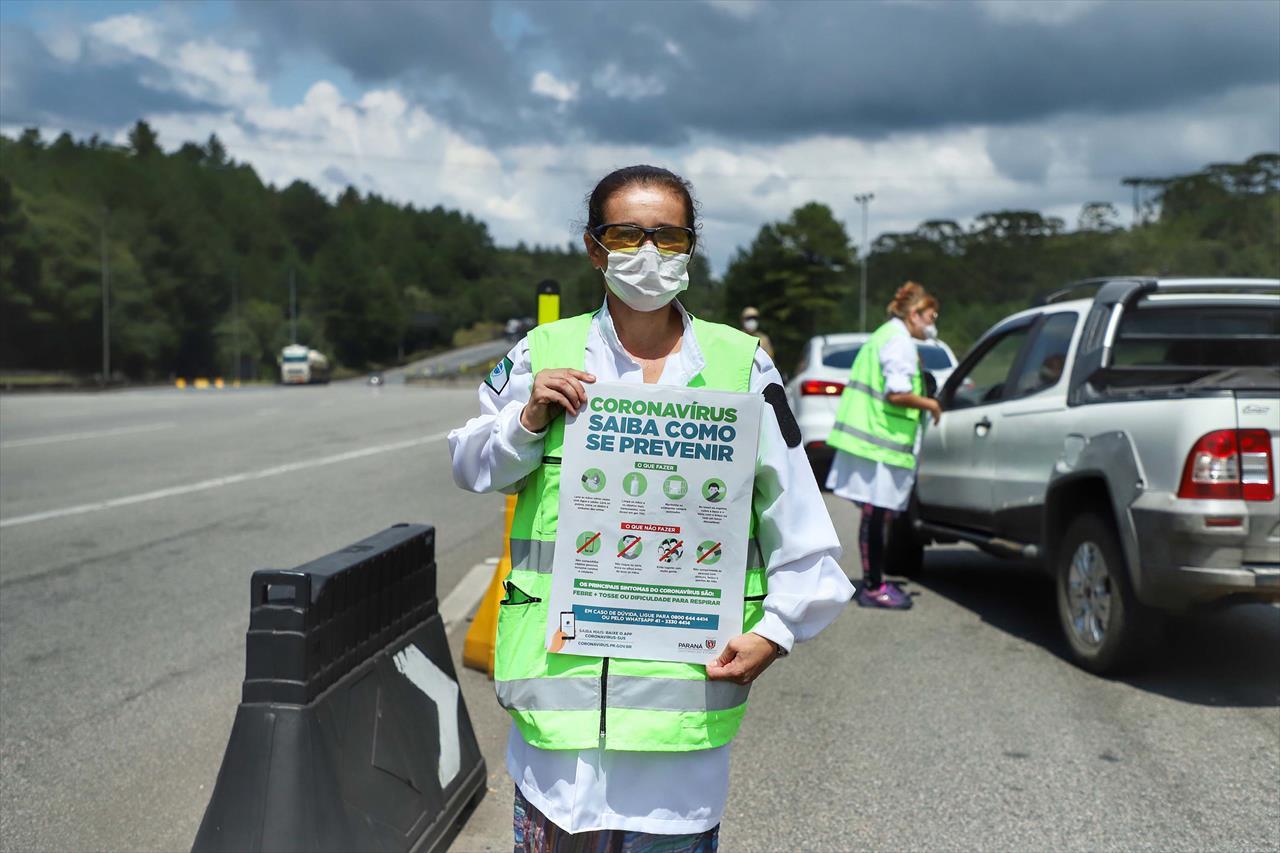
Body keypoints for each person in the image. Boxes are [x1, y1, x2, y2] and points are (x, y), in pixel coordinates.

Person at [448, 165, 853, 851]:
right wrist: (528, 416)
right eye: (626, 234)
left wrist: (776, 631)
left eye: (666, 236)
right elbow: (469, 462)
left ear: (690, 248)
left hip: (677, 764)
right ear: (593, 247)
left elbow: (801, 524)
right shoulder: (542, 353)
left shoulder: (740, 365)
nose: (646, 252)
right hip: (556, 754)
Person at [825, 281, 941, 610]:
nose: (934, 324)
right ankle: (874, 586)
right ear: (915, 315)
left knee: (875, 516)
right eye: (932, 316)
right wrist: (930, 405)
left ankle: (874, 582)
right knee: (876, 516)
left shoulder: (886, 335)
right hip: (879, 442)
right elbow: (897, 392)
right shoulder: (898, 341)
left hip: (872, 440)